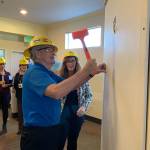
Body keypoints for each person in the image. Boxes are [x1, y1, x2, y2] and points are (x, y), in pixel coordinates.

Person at [21, 36, 106, 150]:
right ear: (37, 53)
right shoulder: (34, 72)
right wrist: (85, 70)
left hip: (49, 130)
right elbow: (57, 92)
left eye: (53, 50)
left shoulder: (48, 73)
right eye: (48, 49)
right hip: (38, 134)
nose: (53, 53)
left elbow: (73, 86)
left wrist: (91, 73)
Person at [59, 51, 93, 150]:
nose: (70, 63)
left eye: (73, 60)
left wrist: (84, 107)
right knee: (60, 140)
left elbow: (89, 95)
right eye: (68, 61)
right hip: (63, 113)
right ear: (65, 63)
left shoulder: (82, 77)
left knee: (73, 140)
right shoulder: (60, 78)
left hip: (78, 113)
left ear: (76, 62)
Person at [13, 57, 28, 134]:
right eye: (22, 65)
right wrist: (19, 76)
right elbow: (15, 85)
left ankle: (27, 129)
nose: (24, 66)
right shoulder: (17, 75)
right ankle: (20, 129)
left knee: (28, 114)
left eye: (25, 65)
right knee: (20, 114)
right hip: (20, 97)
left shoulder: (29, 74)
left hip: (29, 98)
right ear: (20, 66)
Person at [0, 57, 13, 135]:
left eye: (3, 64)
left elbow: (11, 83)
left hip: (6, 95)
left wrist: (7, 85)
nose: (2, 65)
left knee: (5, 110)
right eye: (0, 64)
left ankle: (4, 126)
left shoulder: (8, 74)